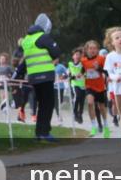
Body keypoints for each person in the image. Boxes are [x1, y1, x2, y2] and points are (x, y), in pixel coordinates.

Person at [17, 13, 62, 142]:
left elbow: (24, 58)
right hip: (45, 75)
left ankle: (39, 133)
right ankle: (45, 132)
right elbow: (57, 52)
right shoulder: (43, 37)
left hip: (33, 76)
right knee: (48, 104)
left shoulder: (27, 39)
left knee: (42, 104)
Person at [81, 40, 109, 137]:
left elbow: (106, 72)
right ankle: (93, 126)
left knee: (101, 107)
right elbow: (82, 70)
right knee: (90, 103)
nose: (92, 50)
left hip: (100, 87)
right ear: (86, 50)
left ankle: (106, 126)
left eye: (94, 48)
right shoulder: (83, 60)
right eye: (90, 48)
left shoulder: (101, 59)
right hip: (89, 86)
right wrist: (78, 75)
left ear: (97, 50)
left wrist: (99, 69)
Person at [68, 48, 86, 124]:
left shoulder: (83, 64)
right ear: (73, 56)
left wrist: (79, 75)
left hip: (83, 84)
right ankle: (75, 113)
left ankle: (80, 114)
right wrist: (71, 77)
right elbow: (69, 74)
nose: (77, 56)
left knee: (82, 101)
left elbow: (83, 71)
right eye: (76, 54)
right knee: (77, 97)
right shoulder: (70, 64)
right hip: (74, 84)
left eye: (79, 54)